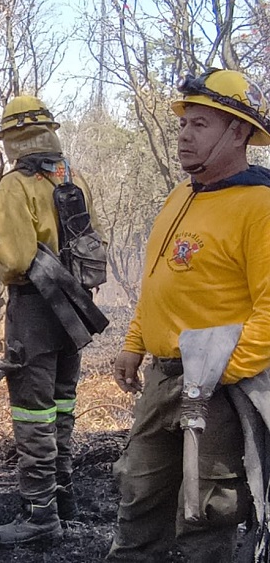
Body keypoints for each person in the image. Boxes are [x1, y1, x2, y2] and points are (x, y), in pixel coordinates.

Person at [108, 69, 270, 562]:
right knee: (137, 496)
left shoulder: (259, 205)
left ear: (238, 132)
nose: (182, 135)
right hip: (163, 379)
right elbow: (159, 281)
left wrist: (221, 375)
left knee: (206, 514)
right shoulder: (181, 196)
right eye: (183, 124)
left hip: (220, 389)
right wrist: (135, 344)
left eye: (199, 124)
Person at [0, 95, 103, 546]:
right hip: (75, 311)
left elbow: (17, 259)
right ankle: (63, 498)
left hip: (35, 310)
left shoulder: (14, 185)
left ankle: (40, 516)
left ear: (12, 140)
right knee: (63, 404)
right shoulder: (73, 177)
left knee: (32, 413)